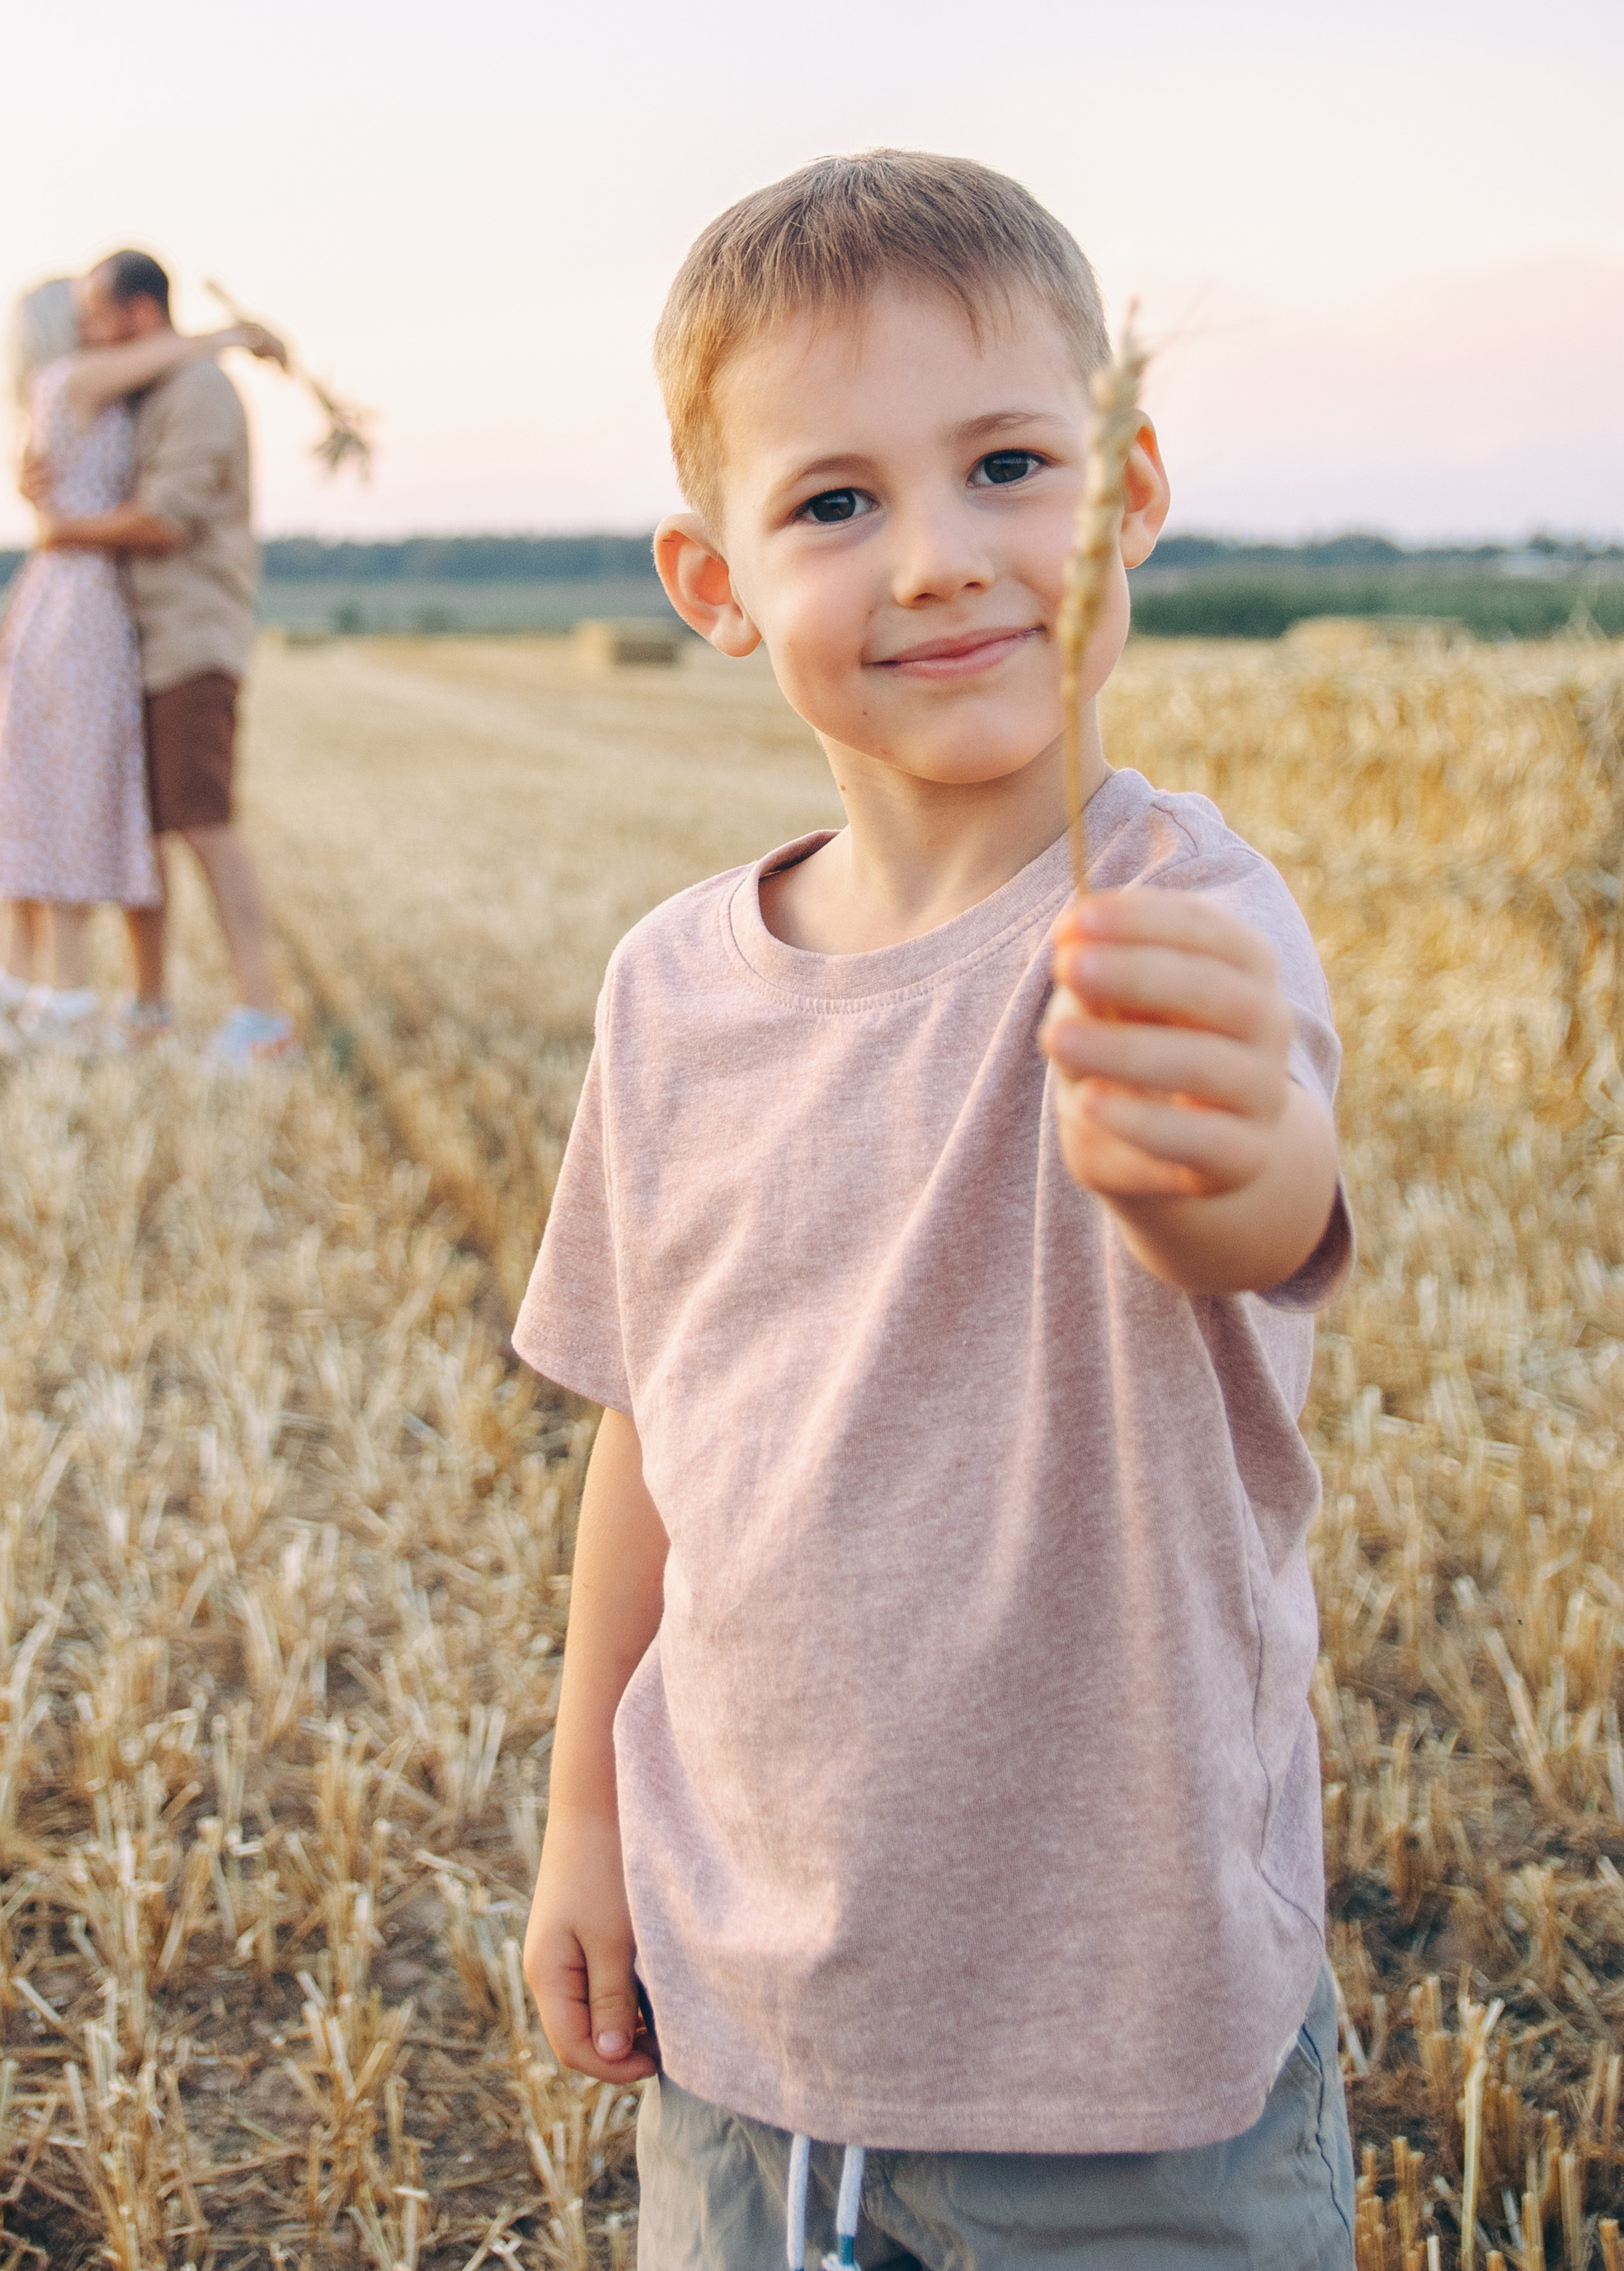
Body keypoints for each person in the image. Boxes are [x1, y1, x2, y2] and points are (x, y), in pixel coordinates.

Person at [514, 153, 1355, 2268]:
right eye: (833, 502)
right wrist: (583, 1811)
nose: (940, 557)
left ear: (1124, 489)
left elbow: (1254, 1221)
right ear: (710, 582)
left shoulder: (1177, 916)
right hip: (743, 2033)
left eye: (1003, 467)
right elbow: (647, 1429)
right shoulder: (671, 987)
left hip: (1119, 2063)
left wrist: (1208, 1153)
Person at [0, 277, 259, 1053]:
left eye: (100, 310)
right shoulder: (78, 379)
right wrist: (236, 336)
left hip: (77, 598)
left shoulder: (88, 389)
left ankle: (53, 986)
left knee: (63, 792)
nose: (94, 323)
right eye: (83, 313)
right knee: (75, 794)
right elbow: (146, 512)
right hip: (83, 602)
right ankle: (67, 992)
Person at [24, 247, 299, 1068]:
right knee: (141, 836)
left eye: (94, 319)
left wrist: (61, 531)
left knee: (206, 824)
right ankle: (149, 1009)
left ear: (139, 314)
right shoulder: (145, 390)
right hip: (134, 643)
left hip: (191, 636)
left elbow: (164, 520)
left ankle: (263, 1019)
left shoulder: (199, 391)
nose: (85, 336)